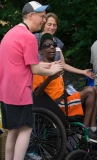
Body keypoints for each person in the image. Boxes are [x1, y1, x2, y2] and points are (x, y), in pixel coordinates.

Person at [0, 2, 63, 160]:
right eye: (42, 17)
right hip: (20, 92)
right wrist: (54, 71)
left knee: (14, 130)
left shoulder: (12, 33)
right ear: (31, 16)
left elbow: (26, 63)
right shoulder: (28, 37)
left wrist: (49, 64)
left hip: (6, 92)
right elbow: (35, 69)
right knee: (27, 128)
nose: (43, 20)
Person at [33, 33, 97, 144]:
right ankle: (85, 130)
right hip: (56, 106)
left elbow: (60, 89)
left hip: (64, 100)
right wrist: (50, 77)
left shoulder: (56, 65)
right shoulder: (39, 69)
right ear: (40, 52)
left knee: (94, 89)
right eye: (47, 45)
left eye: (53, 44)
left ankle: (93, 128)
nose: (52, 46)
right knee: (91, 91)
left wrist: (78, 92)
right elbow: (37, 94)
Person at [34, 12, 94, 81]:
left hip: (55, 81)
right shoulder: (35, 38)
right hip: (38, 80)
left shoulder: (58, 43)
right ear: (43, 24)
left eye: (54, 25)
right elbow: (30, 62)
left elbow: (63, 65)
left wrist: (83, 72)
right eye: (49, 24)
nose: (52, 27)